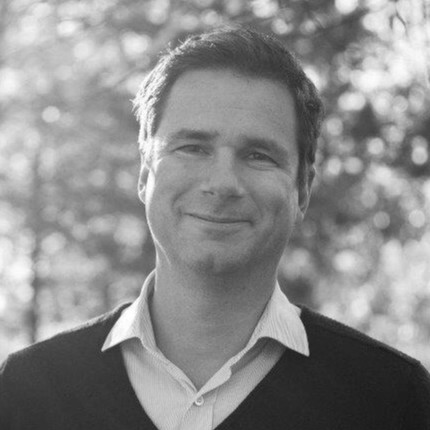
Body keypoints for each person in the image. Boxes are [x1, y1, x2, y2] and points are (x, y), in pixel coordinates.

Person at [0, 26, 429, 430]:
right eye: (192, 147)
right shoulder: (25, 391)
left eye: (258, 155)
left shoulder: (392, 399)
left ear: (302, 190)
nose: (222, 183)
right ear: (146, 174)